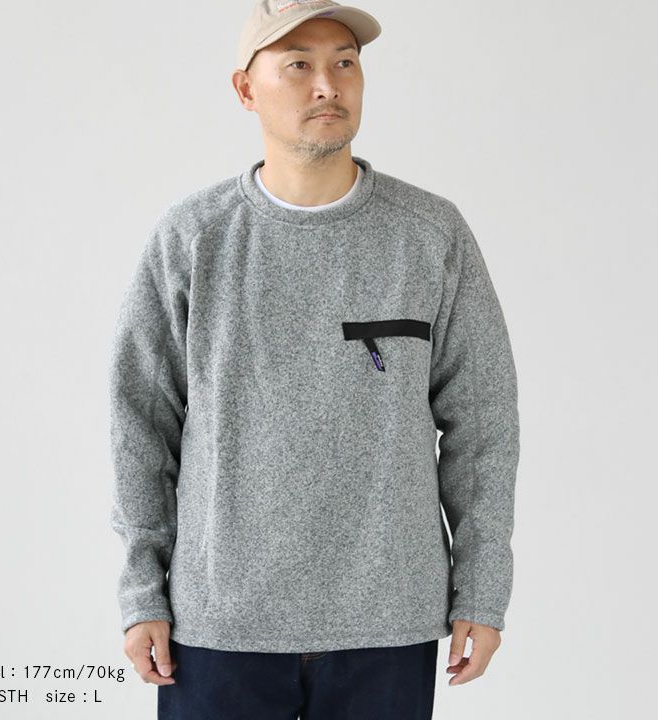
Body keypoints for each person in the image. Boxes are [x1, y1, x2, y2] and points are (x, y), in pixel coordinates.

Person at [108, 1, 520, 717]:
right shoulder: (193, 238)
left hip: (388, 621)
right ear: (245, 89)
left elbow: (483, 425)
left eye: (344, 63)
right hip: (219, 623)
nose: (327, 85)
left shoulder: (430, 235)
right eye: (298, 64)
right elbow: (140, 424)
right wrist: (142, 591)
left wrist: (482, 589)